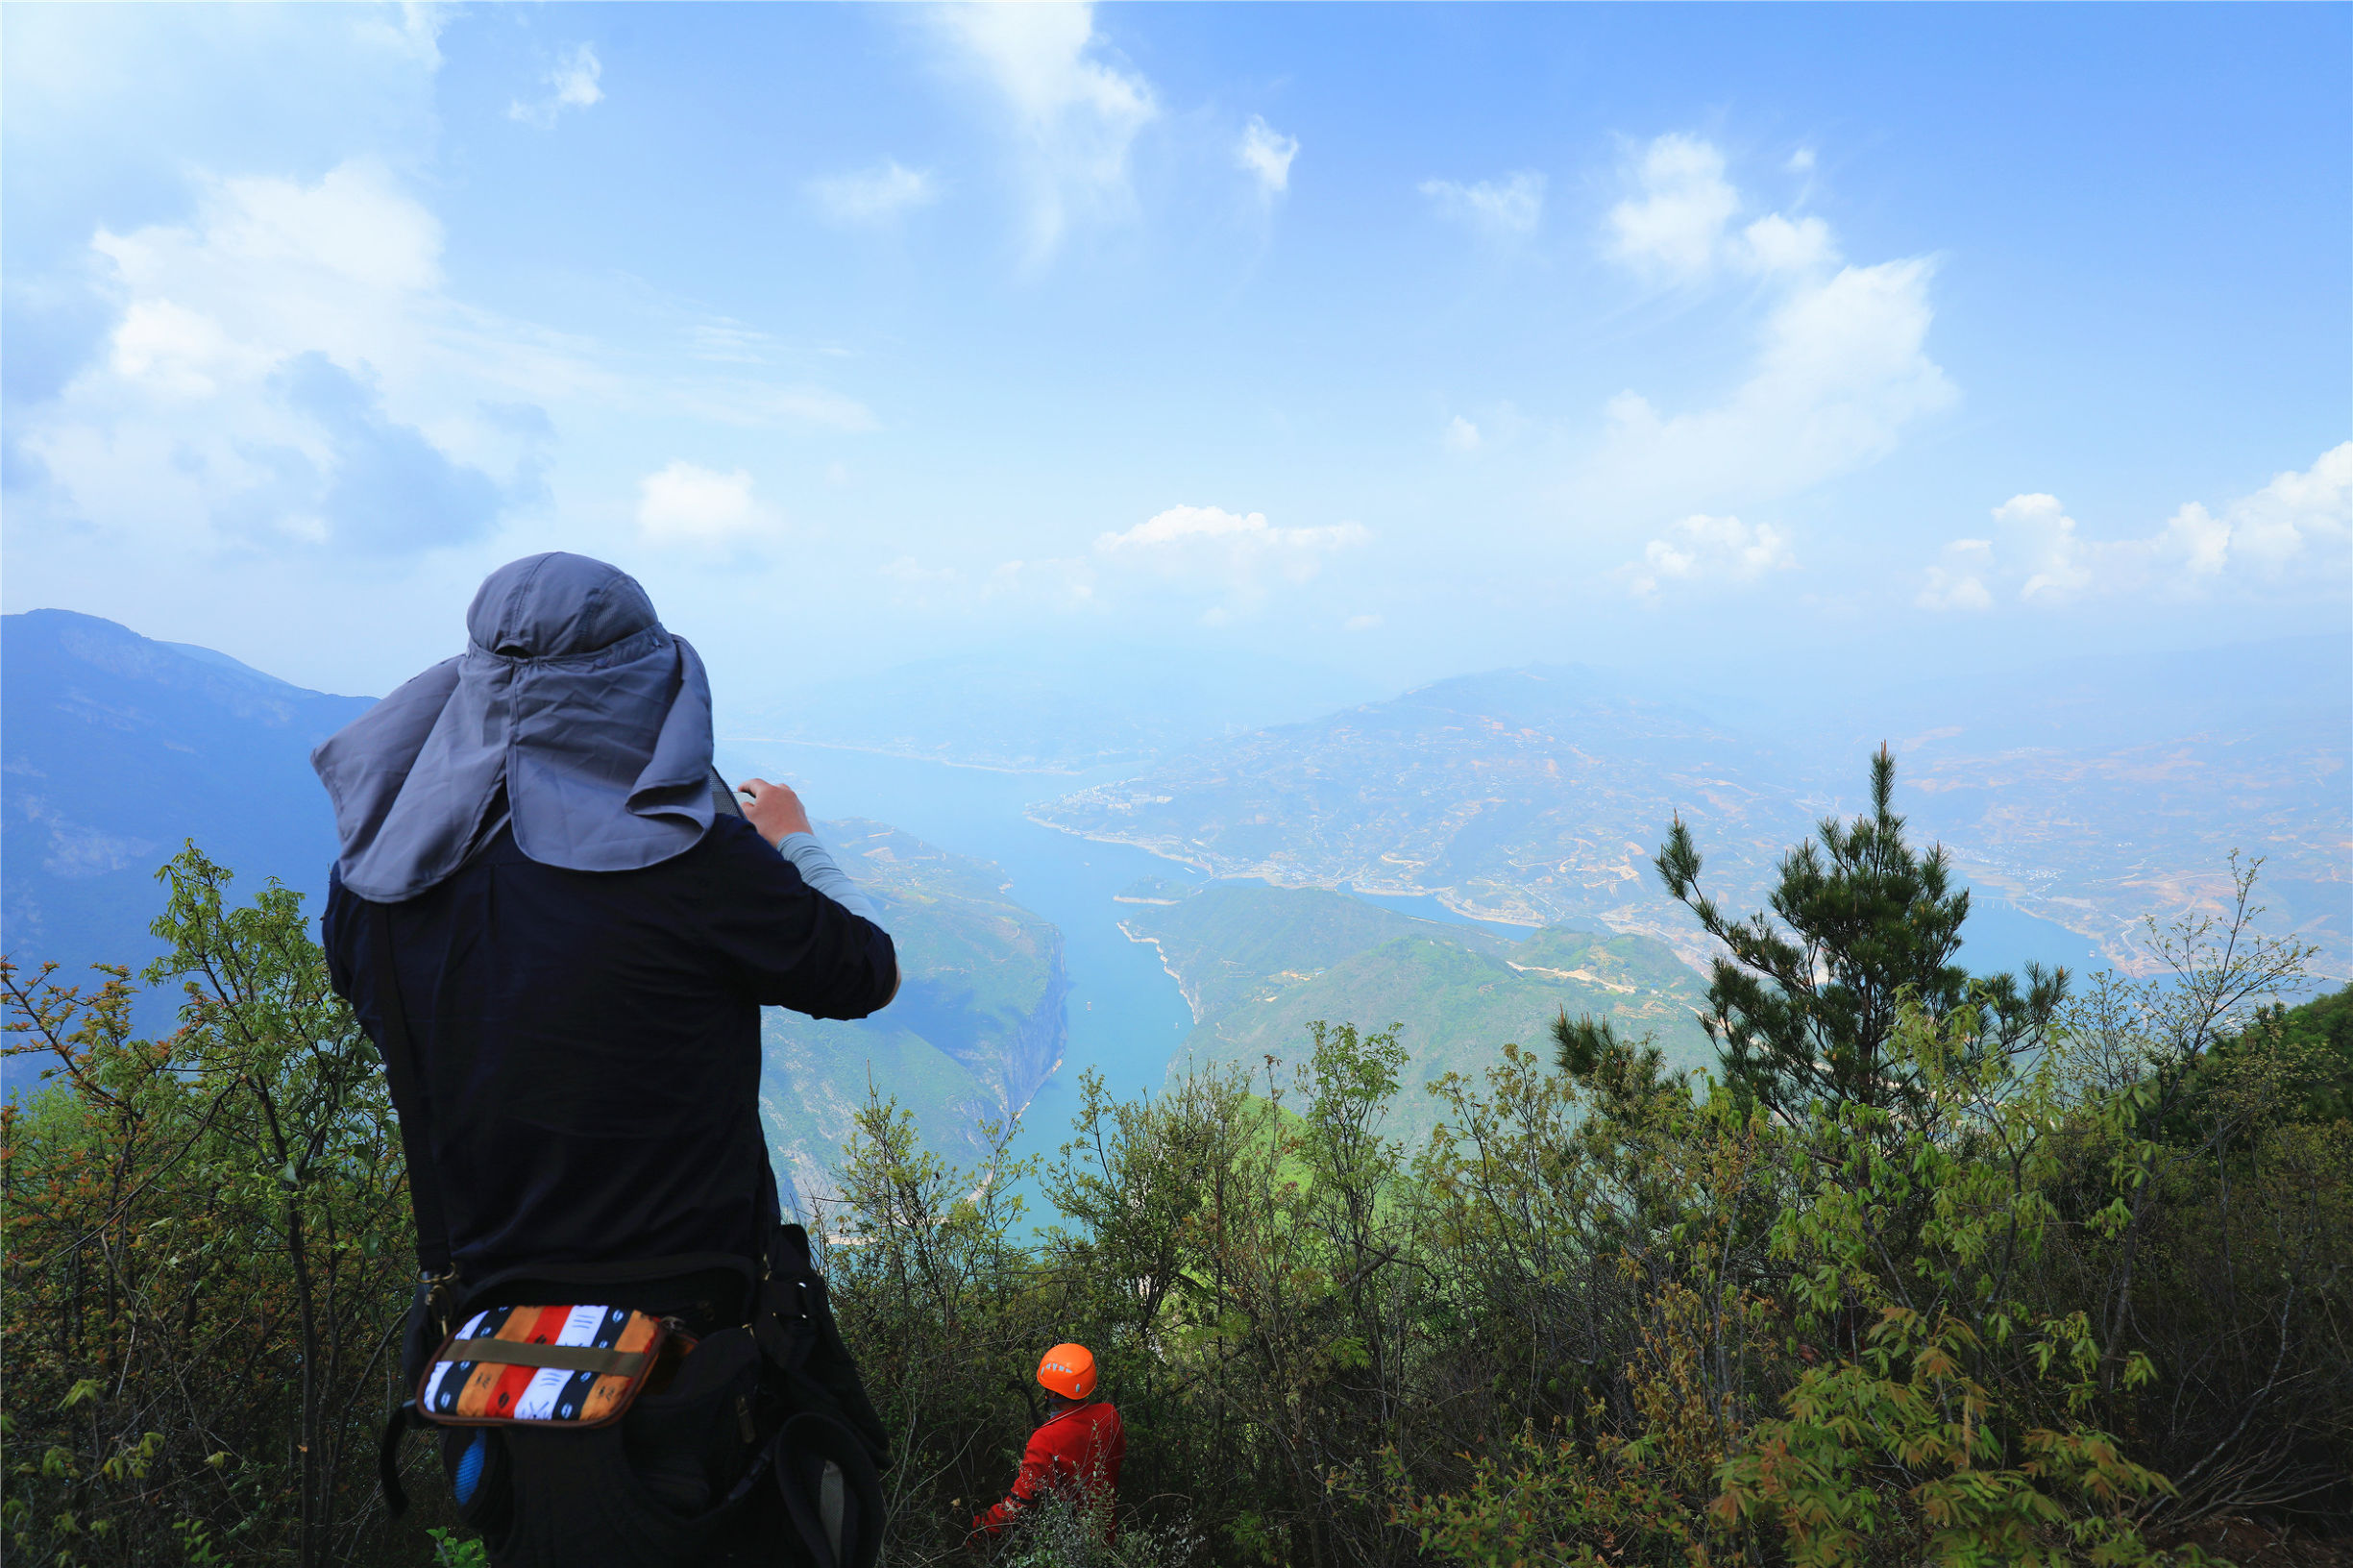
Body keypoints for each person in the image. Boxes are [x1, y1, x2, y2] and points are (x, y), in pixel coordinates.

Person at [315, 551, 896, 1565]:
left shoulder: (373, 888)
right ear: (647, 690)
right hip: (699, 1361)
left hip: (501, 1370)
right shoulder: (693, 865)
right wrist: (789, 844)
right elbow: (862, 972)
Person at [968, 1343, 1125, 1546]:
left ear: (1052, 1394)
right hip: (1108, 1537)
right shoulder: (1109, 1415)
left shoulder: (1046, 1439)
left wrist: (980, 1528)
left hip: (1071, 1548)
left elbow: (1019, 1505)